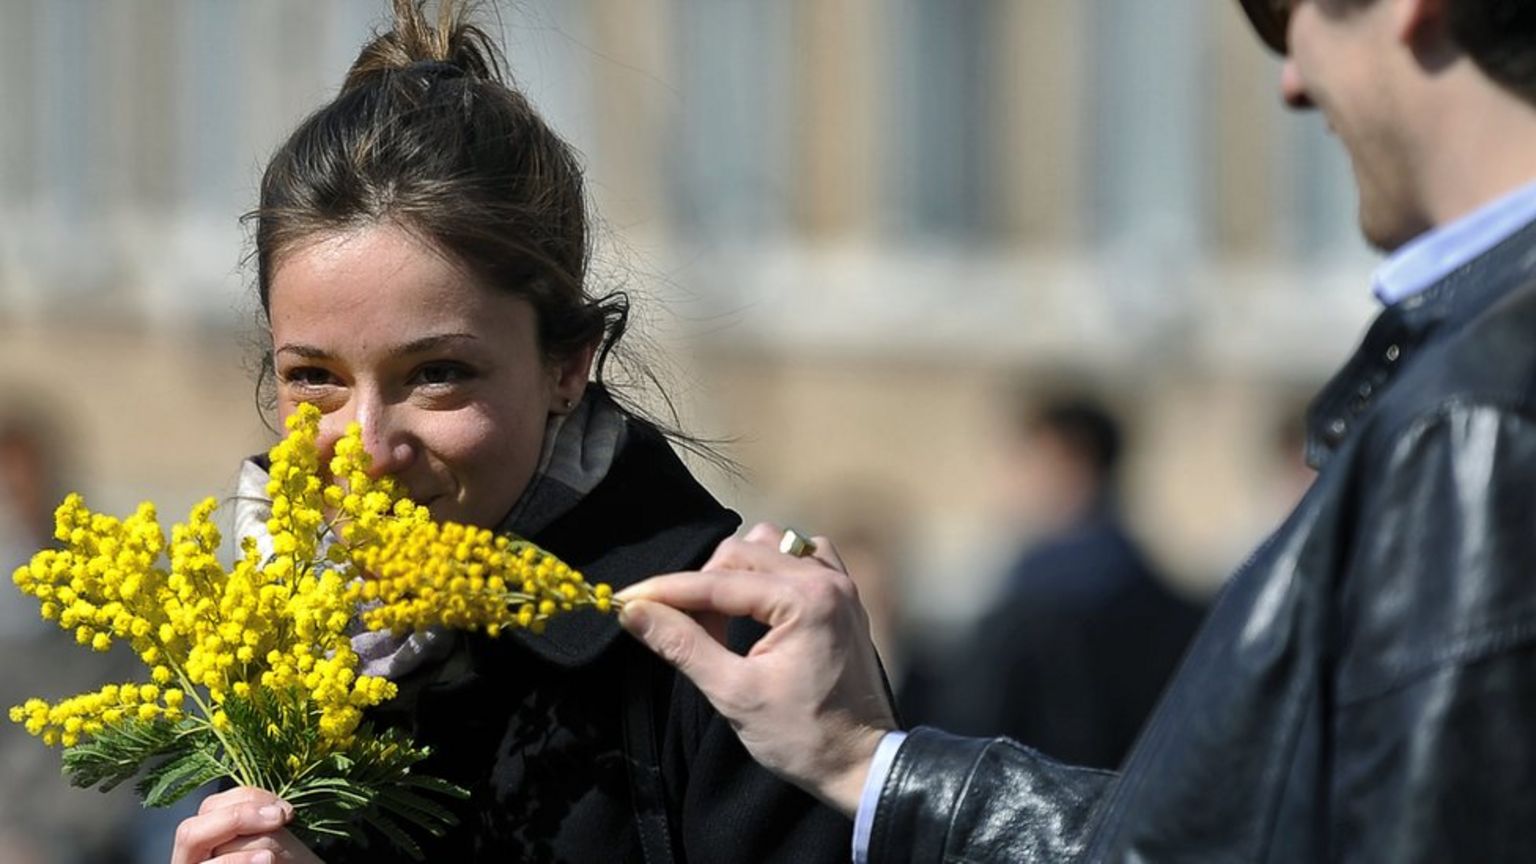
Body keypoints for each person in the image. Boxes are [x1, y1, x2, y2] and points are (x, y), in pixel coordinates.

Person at [617, 0, 1536, 860]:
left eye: (1281, 14)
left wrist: (869, 762)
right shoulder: (1467, 383)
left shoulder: (1475, 418)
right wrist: (869, 762)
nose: (1291, 80)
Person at [167, 2, 850, 862]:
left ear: (569, 363)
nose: (369, 446)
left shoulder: (727, 649)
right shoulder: (270, 651)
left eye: (437, 374)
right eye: (315, 378)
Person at [921, 396, 1202, 770]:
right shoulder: (1175, 609)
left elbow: (969, 742)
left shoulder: (1037, 610)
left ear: (1070, 464)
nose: (1012, 480)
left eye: (1027, 461)